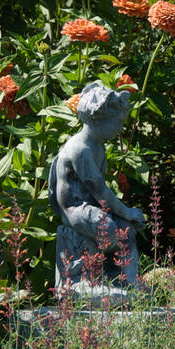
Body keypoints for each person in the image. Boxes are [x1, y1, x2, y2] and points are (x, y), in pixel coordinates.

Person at [48, 81, 145, 290]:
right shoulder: (79, 149)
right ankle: (87, 280)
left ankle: (127, 281)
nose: (119, 129)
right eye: (117, 123)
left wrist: (125, 218)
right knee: (106, 228)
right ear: (98, 118)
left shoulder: (97, 147)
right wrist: (126, 211)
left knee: (126, 231)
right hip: (75, 208)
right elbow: (99, 190)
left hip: (91, 205)